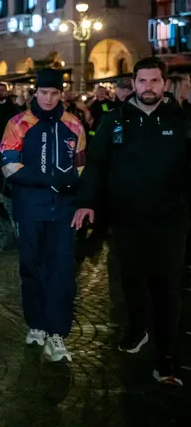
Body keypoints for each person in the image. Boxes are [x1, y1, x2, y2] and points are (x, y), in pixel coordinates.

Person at [73, 57, 188, 387]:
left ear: (164, 84)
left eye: (154, 81)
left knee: (167, 288)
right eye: (142, 81)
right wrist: (87, 202)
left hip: (170, 219)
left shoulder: (181, 119)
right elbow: (97, 162)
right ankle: (137, 329)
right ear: (133, 84)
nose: (148, 87)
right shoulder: (115, 120)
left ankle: (165, 357)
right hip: (126, 218)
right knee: (131, 280)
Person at [0, 69, 86, 362]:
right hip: (30, 208)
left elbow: (82, 165)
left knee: (62, 269)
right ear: (35, 93)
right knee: (31, 266)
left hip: (63, 210)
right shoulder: (18, 124)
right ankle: (36, 323)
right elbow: (9, 166)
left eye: (54, 93)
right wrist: (48, 179)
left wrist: (74, 189)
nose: (48, 98)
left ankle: (57, 332)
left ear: (62, 94)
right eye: (44, 92)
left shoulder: (73, 124)